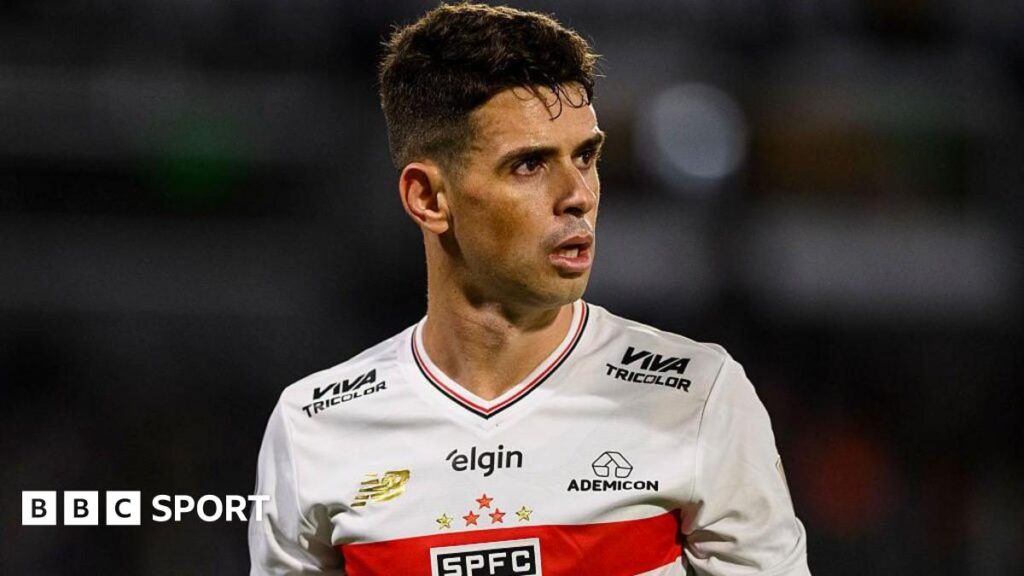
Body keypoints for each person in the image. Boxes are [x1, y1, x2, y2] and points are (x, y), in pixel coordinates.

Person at [249, 3, 809, 575]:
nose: (579, 194)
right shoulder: (314, 427)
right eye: (529, 165)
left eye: (586, 156)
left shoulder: (698, 397)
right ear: (428, 198)